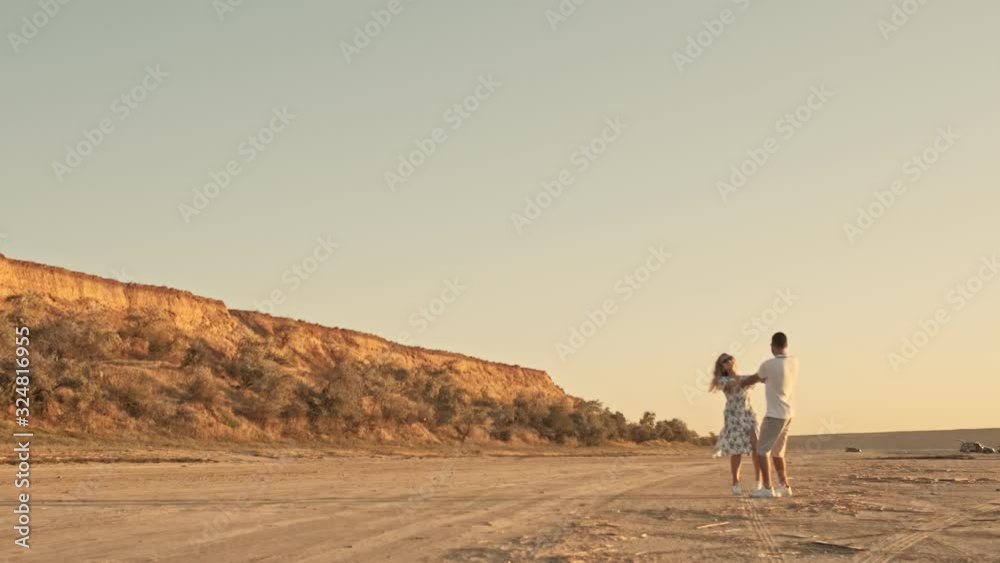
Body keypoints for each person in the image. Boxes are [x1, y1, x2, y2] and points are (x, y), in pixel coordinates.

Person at [744, 332, 799, 499]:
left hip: (774, 414)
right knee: (778, 453)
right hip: (788, 414)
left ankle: (768, 488)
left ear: (772, 345)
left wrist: (739, 382)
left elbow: (754, 378)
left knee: (762, 450)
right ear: (786, 344)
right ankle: (784, 485)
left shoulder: (768, 364)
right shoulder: (794, 362)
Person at [709, 353, 762, 496]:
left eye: (729, 359)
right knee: (737, 450)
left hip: (749, 414)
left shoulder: (744, 377)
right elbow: (736, 383)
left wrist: (760, 375)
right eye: (724, 361)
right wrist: (752, 378)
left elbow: (758, 379)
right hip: (733, 416)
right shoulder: (722, 380)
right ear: (721, 366)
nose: (728, 362)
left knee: (756, 446)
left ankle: (759, 481)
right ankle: (735, 482)